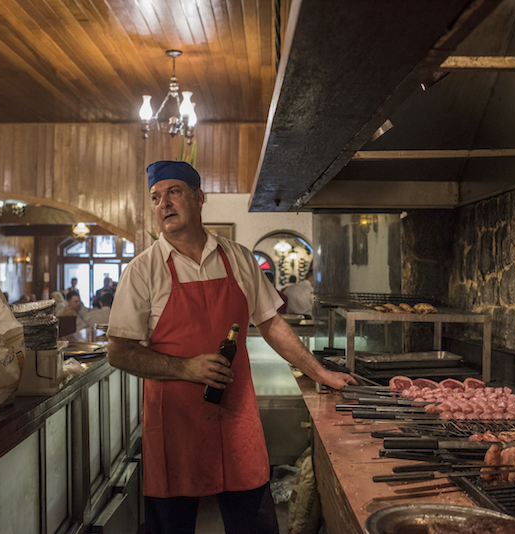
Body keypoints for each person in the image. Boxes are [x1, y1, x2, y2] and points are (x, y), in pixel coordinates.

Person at [107, 160, 355, 534]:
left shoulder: (238, 258)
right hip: (175, 428)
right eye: (156, 197)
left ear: (199, 197)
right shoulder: (142, 270)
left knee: (254, 524)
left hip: (236, 418)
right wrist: (185, 368)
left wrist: (319, 371)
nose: (163, 204)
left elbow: (271, 322)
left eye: (173, 192)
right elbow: (118, 350)